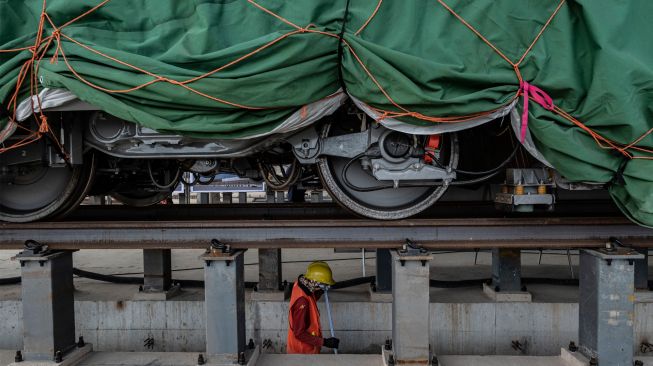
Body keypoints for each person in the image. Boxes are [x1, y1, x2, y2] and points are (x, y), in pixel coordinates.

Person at [287, 261, 340, 354]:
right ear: (316, 283)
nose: (324, 286)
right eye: (323, 284)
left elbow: (311, 297)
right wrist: (325, 342)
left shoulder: (303, 285)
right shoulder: (302, 303)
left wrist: (320, 291)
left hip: (307, 350)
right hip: (301, 352)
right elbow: (299, 333)